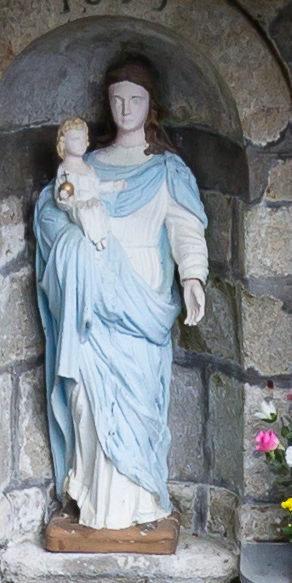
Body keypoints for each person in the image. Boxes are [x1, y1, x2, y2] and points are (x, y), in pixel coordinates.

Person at [31, 54, 208, 531]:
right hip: (90, 300)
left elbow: (186, 226)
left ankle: (139, 502)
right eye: (116, 98)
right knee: (88, 402)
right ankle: (93, 500)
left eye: (136, 98)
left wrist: (192, 276)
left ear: (151, 104)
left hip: (143, 299)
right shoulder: (83, 165)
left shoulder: (168, 168)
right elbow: (51, 216)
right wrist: (75, 240)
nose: (125, 107)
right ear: (106, 105)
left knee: (139, 403)